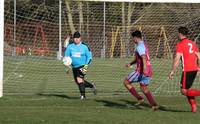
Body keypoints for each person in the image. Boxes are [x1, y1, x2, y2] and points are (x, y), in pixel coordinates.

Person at [123, 30, 158, 111]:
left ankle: (139, 98)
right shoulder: (144, 45)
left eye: (132, 38)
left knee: (126, 82)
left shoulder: (139, 47)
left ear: (135, 38)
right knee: (143, 87)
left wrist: (144, 69)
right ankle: (154, 105)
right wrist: (131, 64)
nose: (132, 40)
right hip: (149, 69)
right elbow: (139, 58)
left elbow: (143, 57)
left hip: (141, 71)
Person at [169, 27, 200, 112]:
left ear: (180, 34)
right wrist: (199, 68)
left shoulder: (180, 44)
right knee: (187, 90)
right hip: (194, 69)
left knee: (183, 91)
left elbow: (177, 59)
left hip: (187, 70)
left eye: (177, 33)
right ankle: (194, 107)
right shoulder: (192, 43)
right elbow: (199, 56)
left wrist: (172, 71)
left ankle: (194, 105)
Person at [64, 31, 96, 100]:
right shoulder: (70, 47)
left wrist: (86, 66)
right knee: (79, 82)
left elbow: (89, 57)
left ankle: (83, 96)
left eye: (77, 38)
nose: (76, 39)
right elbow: (66, 57)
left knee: (79, 79)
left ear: (80, 38)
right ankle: (92, 86)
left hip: (83, 66)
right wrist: (67, 67)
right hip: (74, 67)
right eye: (75, 38)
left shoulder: (84, 47)